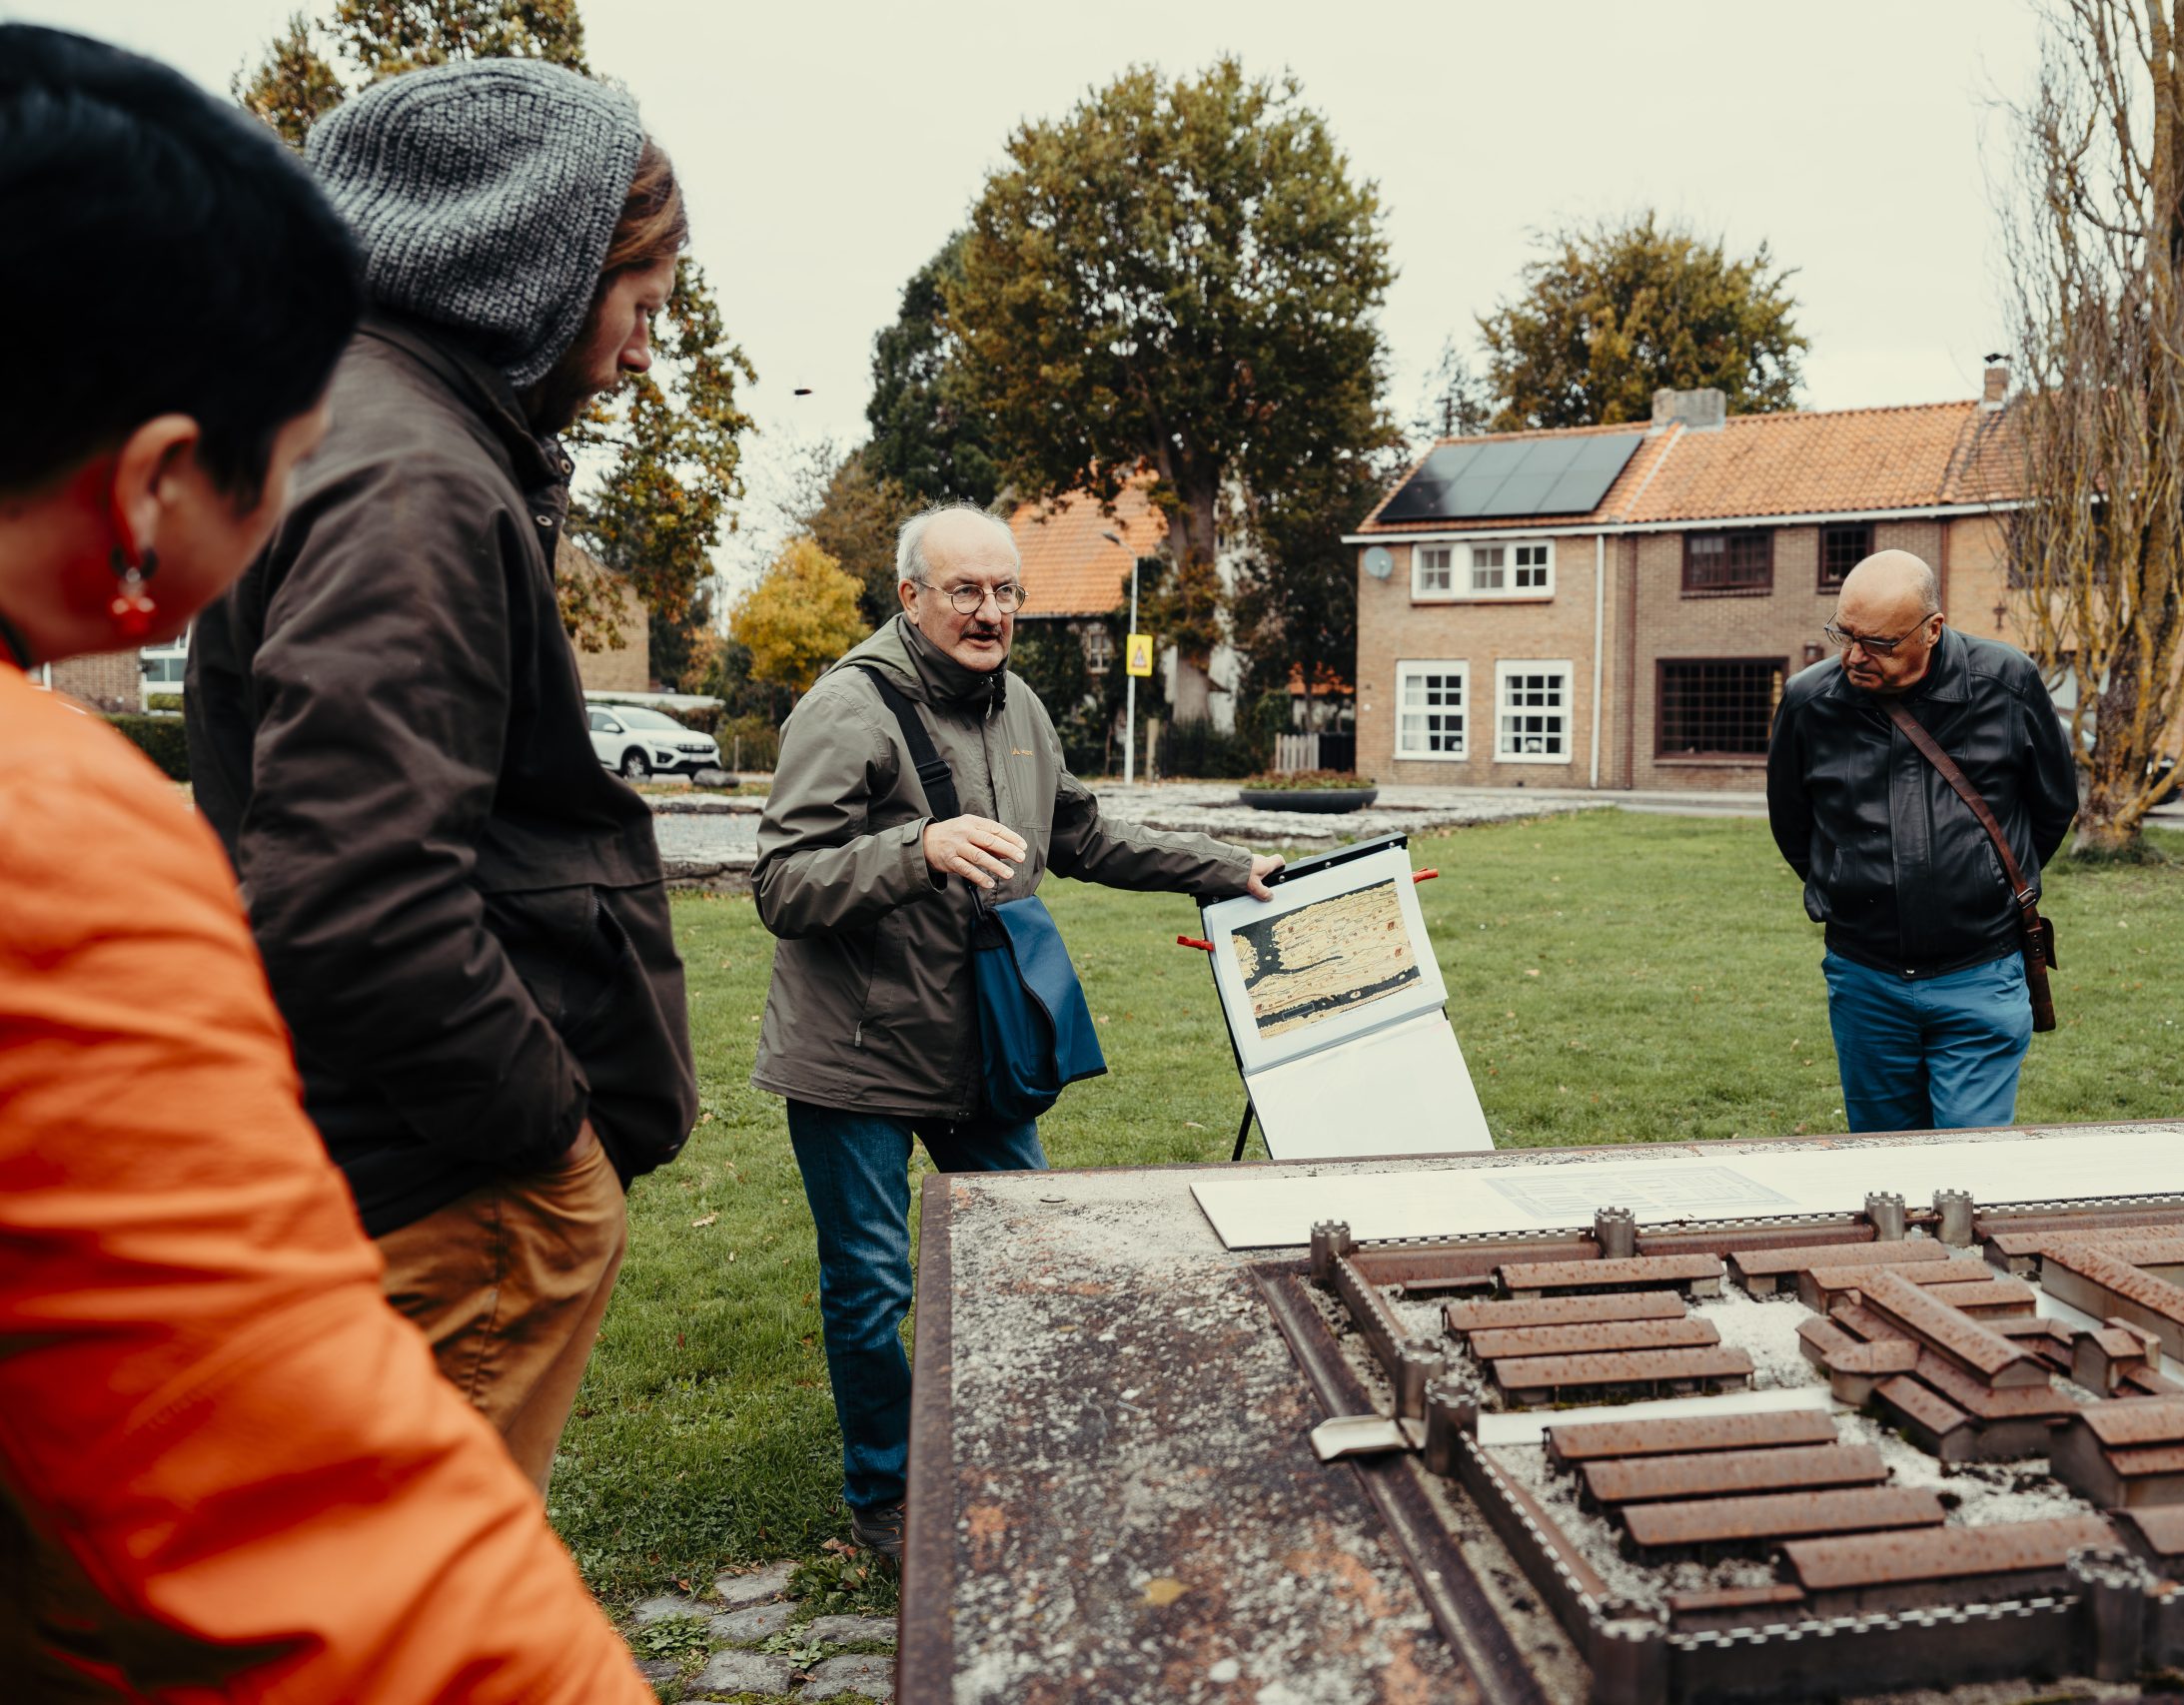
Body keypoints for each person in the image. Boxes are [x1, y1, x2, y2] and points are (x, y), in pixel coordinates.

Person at [0, 27, 648, 1698]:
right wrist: (548, 1132)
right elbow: (335, 1548)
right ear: (150, 481)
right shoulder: (56, 837)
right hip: (448, 1156)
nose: (299, 501)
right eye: (278, 467)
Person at [186, 58, 697, 1494]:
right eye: (640, 305)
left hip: (372, 1146)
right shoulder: (415, 479)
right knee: (407, 1607)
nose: (642, 355)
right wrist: (546, 1139)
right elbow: (352, 890)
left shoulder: (341, 425)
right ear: (530, 265)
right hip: (443, 1181)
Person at [751, 502, 1284, 1560]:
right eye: (965, 591)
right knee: (871, 1286)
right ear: (910, 597)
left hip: (981, 1049)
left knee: (1023, 1255)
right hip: (854, 1055)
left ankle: (999, 1448)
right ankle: (887, 1497)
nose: (989, 612)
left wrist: (1223, 873)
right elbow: (780, 883)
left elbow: (1081, 834)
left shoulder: (1019, 707)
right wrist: (917, 849)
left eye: (1005, 594)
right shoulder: (845, 710)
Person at [1766, 549, 2079, 1132]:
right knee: (1884, 1161)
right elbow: (1792, 823)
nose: (1855, 657)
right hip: (1865, 979)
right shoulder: (1812, 701)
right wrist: (1844, 881)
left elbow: (2053, 805)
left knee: (1969, 1162)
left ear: (1932, 629)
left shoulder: (2006, 684)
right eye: (1845, 634)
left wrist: (1985, 882)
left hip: (1981, 971)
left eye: (1879, 643)